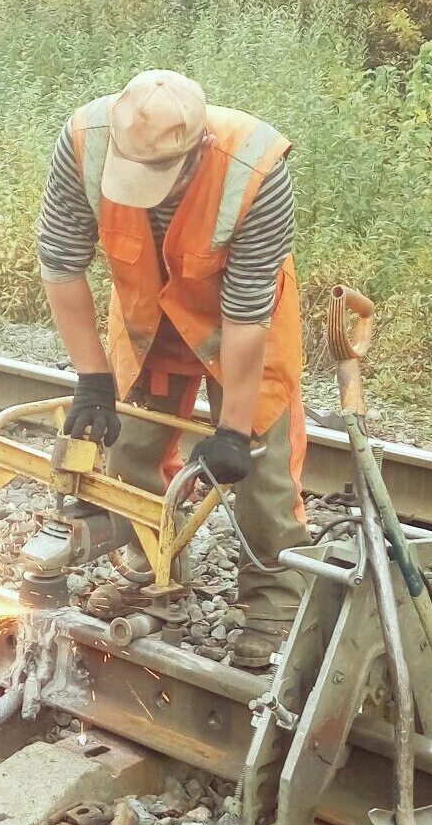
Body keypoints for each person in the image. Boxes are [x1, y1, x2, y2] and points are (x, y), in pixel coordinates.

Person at [35, 69, 307, 668]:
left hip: (240, 324)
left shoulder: (255, 169)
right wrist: (92, 378)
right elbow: (60, 261)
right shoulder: (84, 138)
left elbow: (246, 313)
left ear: (196, 151)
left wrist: (232, 429)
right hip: (147, 312)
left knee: (261, 475)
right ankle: (152, 577)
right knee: (128, 448)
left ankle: (273, 606)